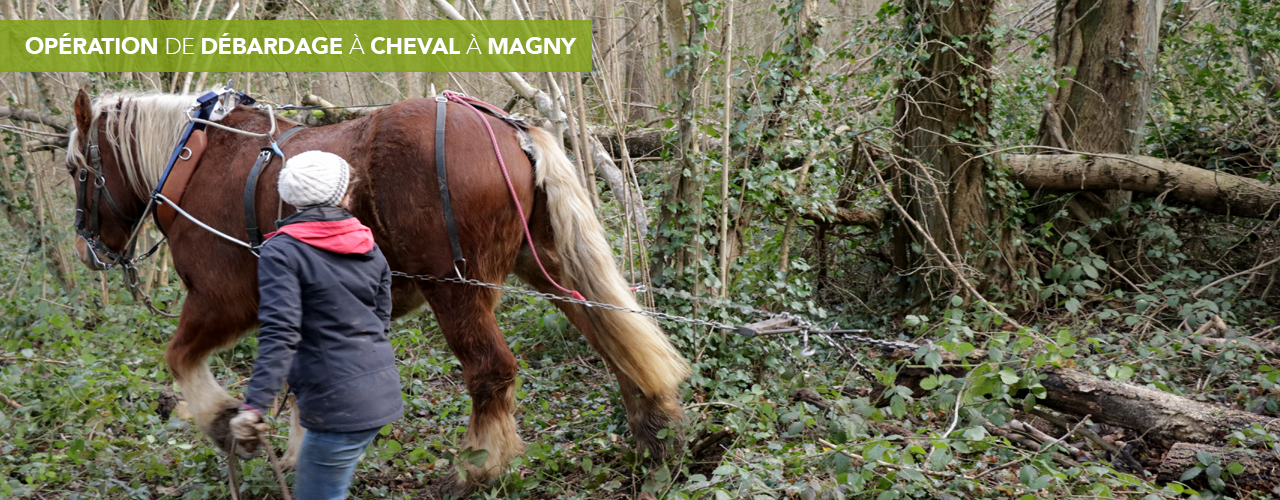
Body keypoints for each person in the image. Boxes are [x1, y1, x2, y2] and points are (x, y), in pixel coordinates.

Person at [230, 150, 403, 500]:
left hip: (337, 409)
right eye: (348, 189)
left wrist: (253, 407)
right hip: (380, 394)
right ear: (341, 196)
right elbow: (380, 318)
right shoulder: (367, 242)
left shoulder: (282, 252)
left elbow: (280, 333)